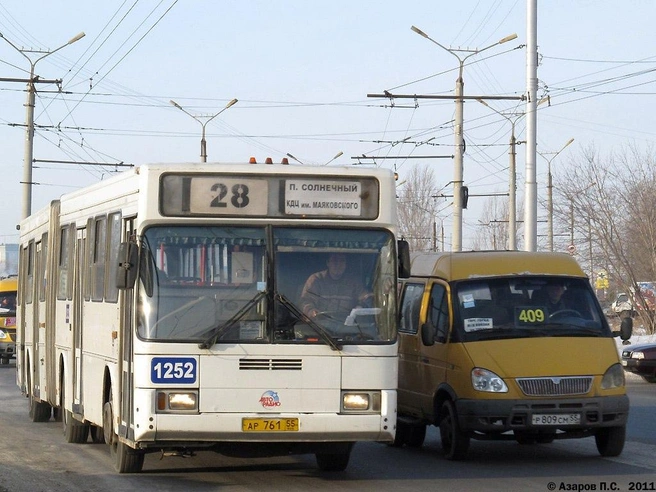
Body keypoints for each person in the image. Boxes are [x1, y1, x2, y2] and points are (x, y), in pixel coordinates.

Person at [300, 253, 372, 322]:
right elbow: (305, 302)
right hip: (320, 327)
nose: (338, 264)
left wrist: (359, 309)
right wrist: (312, 312)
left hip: (348, 327)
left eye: (342, 261)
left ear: (345, 264)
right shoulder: (316, 280)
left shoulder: (354, 282)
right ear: (328, 263)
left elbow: (367, 298)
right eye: (335, 260)